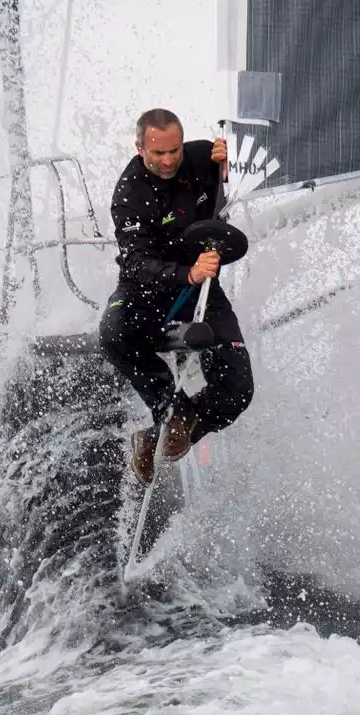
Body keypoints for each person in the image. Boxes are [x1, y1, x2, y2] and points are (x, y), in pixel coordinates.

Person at [98, 108, 254, 486]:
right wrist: (188, 273)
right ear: (140, 149)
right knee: (112, 334)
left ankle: (161, 435)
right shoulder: (129, 195)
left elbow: (223, 195)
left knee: (238, 390)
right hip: (149, 289)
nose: (168, 161)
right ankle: (173, 409)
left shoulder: (201, 155)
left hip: (201, 287)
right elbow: (137, 264)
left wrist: (226, 169)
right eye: (158, 154)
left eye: (174, 151)